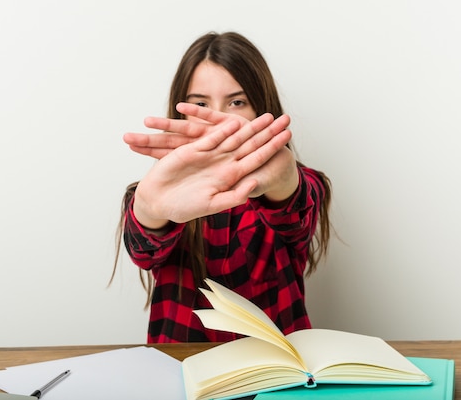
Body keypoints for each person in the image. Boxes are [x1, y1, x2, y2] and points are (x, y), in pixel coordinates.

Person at [113, 31, 332, 343]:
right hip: (182, 373)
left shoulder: (298, 183)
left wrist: (284, 179)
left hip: (276, 374)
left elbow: (299, 213)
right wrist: (147, 208)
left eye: (237, 102)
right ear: (180, 112)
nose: (220, 120)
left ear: (261, 108)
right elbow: (143, 251)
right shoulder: (158, 192)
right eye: (201, 103)